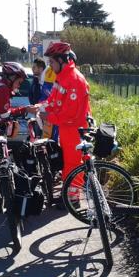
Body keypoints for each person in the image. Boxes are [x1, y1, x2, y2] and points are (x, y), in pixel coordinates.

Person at [40, 42, 91, 182]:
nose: (50, 65)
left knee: (74, 164)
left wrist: (49, 116)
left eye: (51, 62)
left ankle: (73, 200)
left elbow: (70, 113)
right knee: (67, 163)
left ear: (61, 60)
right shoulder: (62, 77)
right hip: (66, 128)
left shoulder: (74, 80)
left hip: (74, 129)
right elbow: (53, 100)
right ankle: (67, 195)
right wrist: (40, 107)